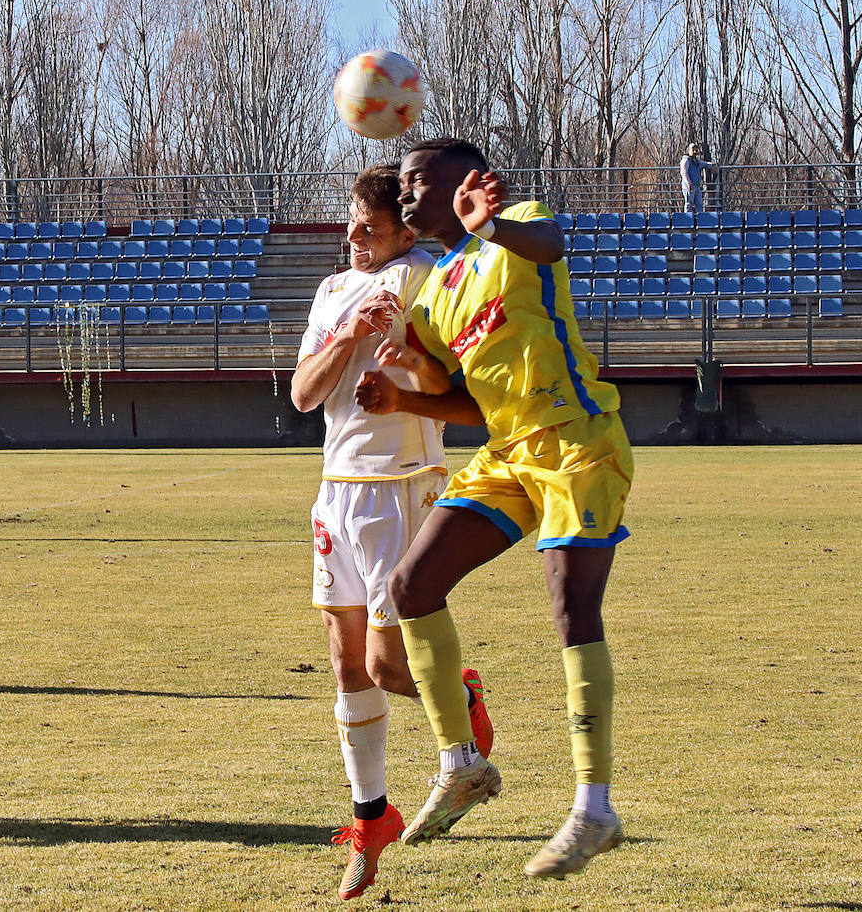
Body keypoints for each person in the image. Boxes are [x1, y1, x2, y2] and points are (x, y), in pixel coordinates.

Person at [354, 138, 634, 880]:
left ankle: (594, 807)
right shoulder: (437, 291)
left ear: (466, 184)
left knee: (572, 609)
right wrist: (403, 392)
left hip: (577, 441)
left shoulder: (516, 229)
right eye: (403, 184)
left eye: (420, 181)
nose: (406, 195)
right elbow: (468, 404)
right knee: (410, 587)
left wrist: (493, 225)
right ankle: (461, 764)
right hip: (508, 452)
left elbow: (550, 243)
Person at [292, 164, 494, 901]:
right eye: (349, 222)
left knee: (383, 667)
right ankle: (370, 818)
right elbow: (304, 392)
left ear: (406, 231)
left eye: (369, 227)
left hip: (400, 488)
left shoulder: (424, 272)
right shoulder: (332, 290)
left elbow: (458, 354)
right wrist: (346, 335)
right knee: (346, 667)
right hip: (334, 494)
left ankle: (463, 704)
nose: (353, 237)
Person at [680, 142, 716, 213]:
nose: (694, 152)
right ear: (689, 150)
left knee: (699, 204)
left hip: (697, 185)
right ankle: (688, 220)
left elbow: (704, 164)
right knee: (689, 203)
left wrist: (713, 165)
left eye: (696, 150)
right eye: (693, 150)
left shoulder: (697, 162)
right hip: (689, 185)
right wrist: (688, 183)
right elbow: (684, 172)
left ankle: (700, 219)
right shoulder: (686, 160)